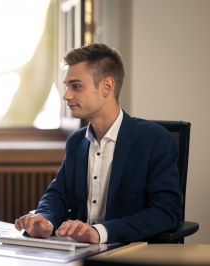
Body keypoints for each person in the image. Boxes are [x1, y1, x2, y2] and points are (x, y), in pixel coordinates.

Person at [14, 43, 182, 244]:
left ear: (107, 87)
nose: (66, 95)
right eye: (67, 86)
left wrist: (100, 232)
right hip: (81, 253)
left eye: (76, 86)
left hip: (131, 251)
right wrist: (45, 220)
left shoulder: (156, 140)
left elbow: (166, 212)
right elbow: (58, 195)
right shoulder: (77, 141)